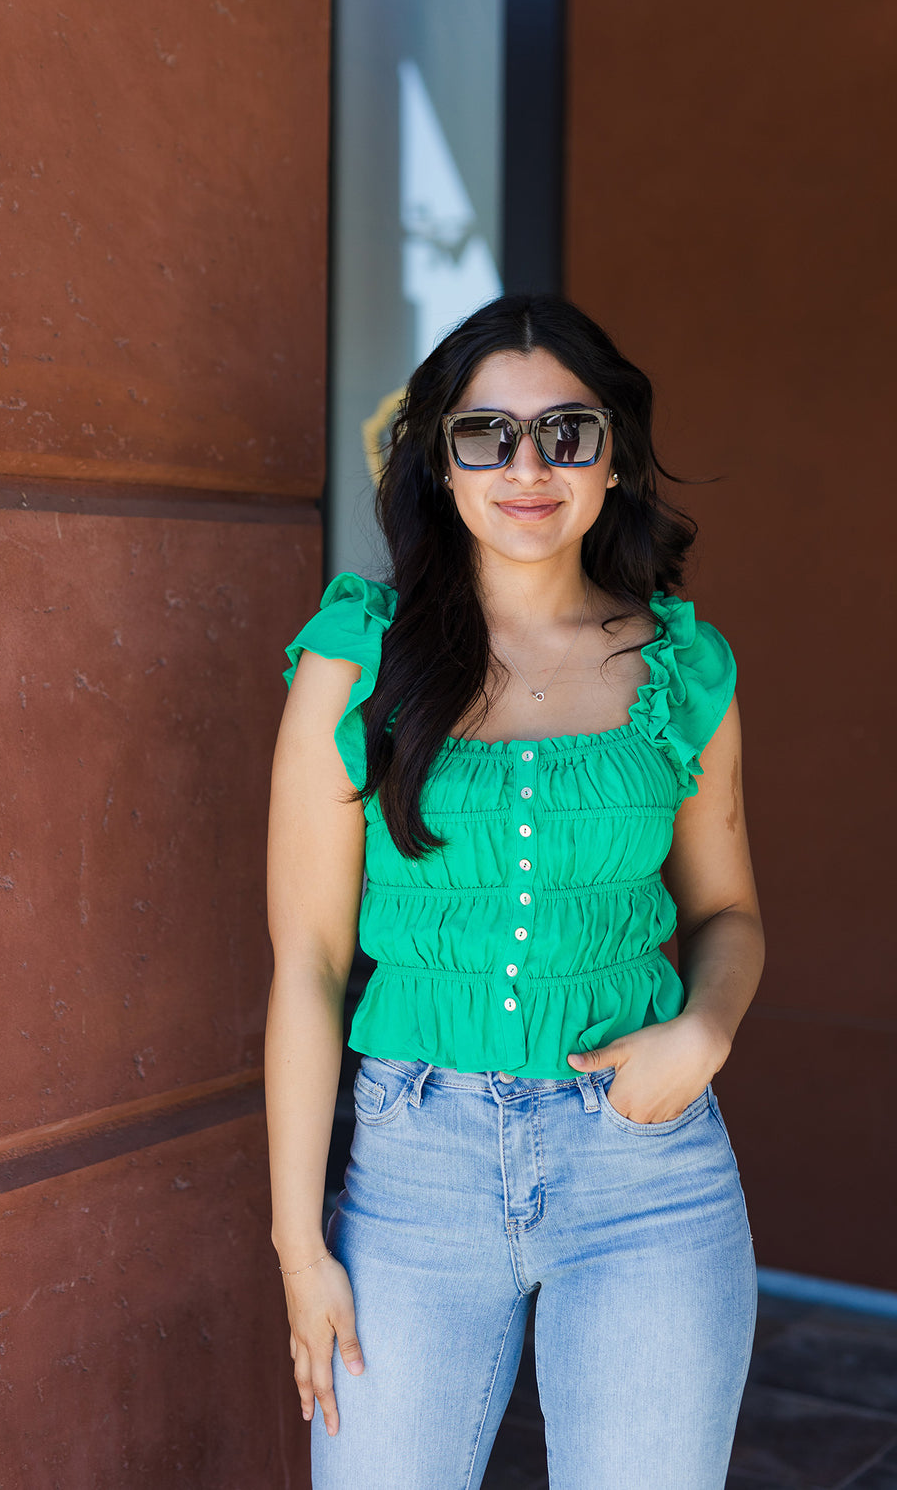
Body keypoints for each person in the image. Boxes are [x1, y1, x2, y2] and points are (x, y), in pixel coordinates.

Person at [265, 294, 763, 1490]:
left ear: (614, 460)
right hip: (411, 1178)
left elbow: (730, 913)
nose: (526, 466)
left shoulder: (679, 666)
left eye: (566, 433)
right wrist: (298, 1243)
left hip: (646, 1174)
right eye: (486, 433)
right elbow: (309, 968)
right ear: (439, 462)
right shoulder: (357, 658)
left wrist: (703, 1030)